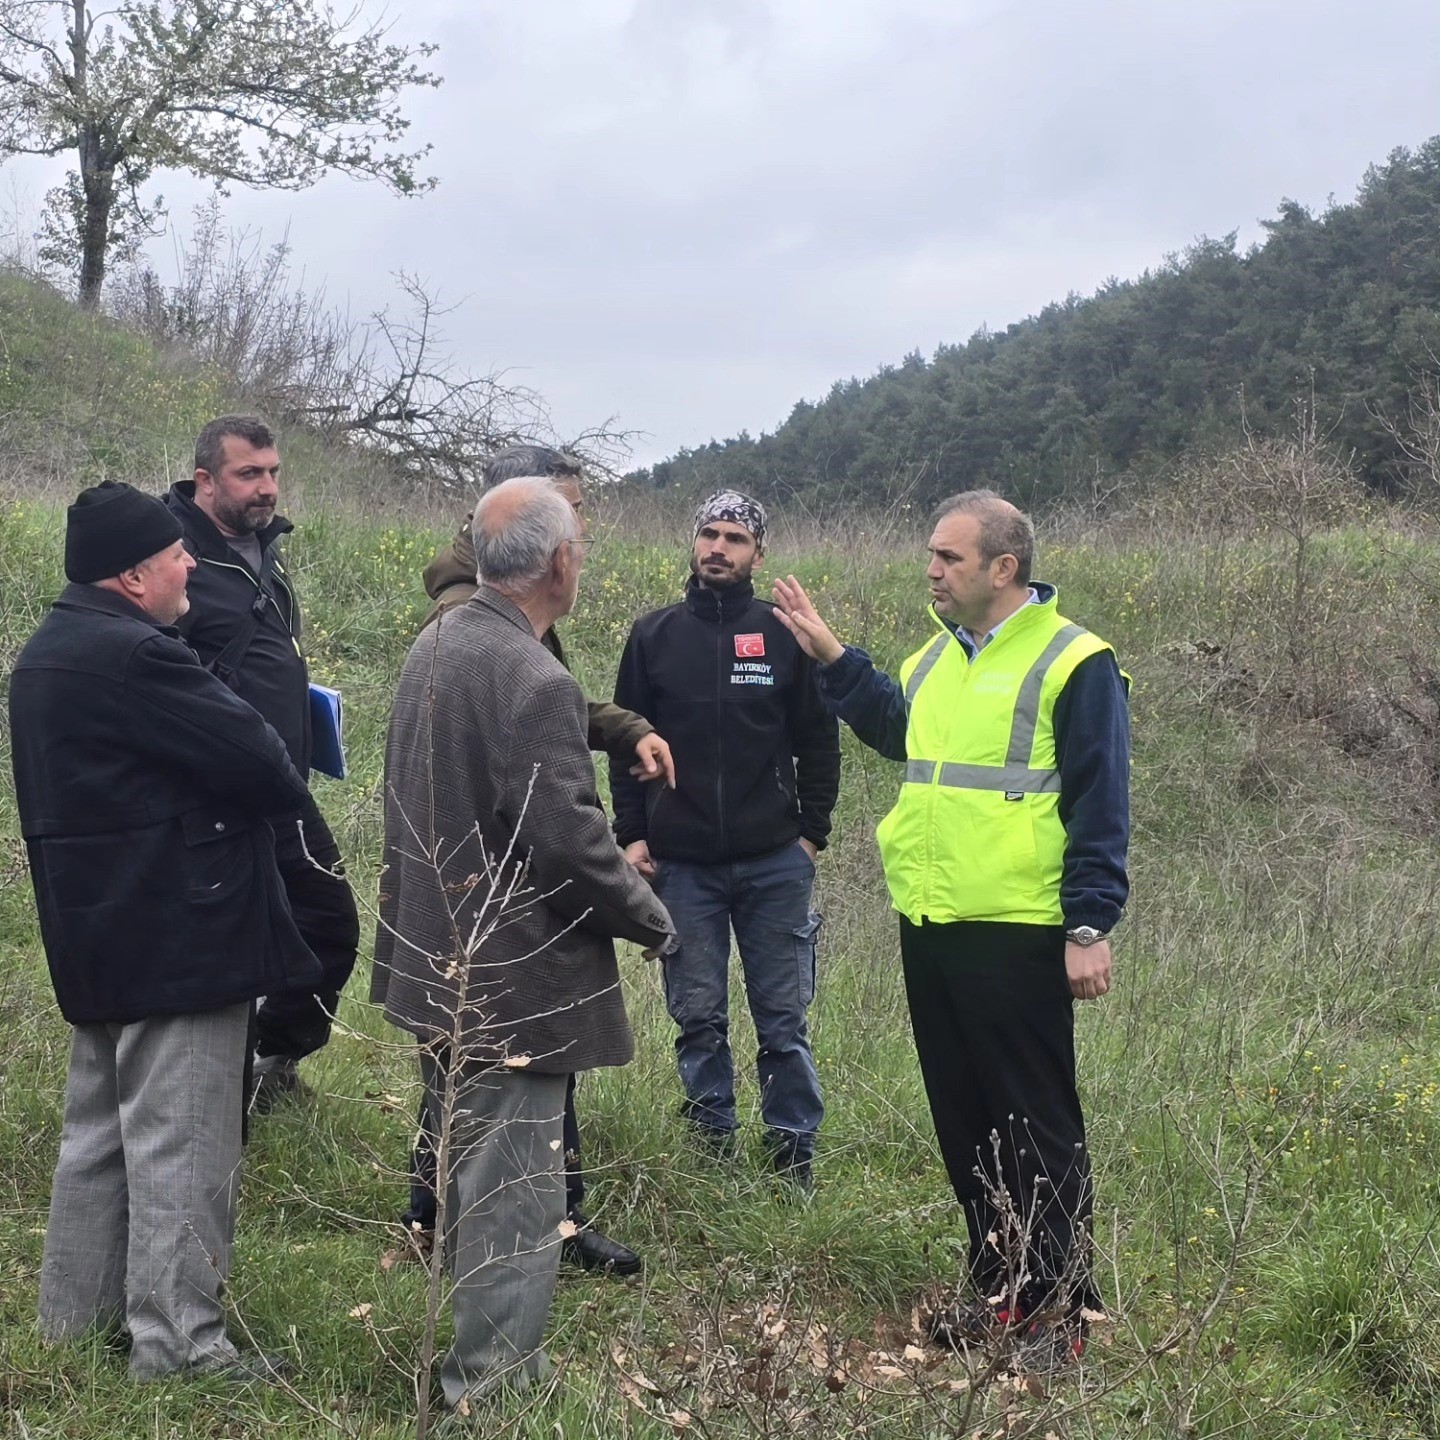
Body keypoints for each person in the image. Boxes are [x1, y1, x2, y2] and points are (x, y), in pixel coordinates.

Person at [772, 489, 1130, 1372]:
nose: (930, 570)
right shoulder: (935, 659)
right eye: (932, 556)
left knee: (1035, 1123)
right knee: (966, 1118)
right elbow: (902, 731)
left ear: (1002, 568)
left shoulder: (1074, 661)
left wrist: (1088, 923)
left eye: (948, 557)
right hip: (931, 921)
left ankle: (1056, 1316)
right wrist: (833, 657)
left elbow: (1101, 801)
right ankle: (1001, 1293)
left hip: (1018, 928)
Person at [9, 482, 321, 1382]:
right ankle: (180, 1347)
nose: (191, 561)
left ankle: (76, 1327)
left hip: (97, 929)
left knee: (100, 1135)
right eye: (175, 553)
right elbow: (267, 761)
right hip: (183, 930)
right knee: (184, 1140)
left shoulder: (46, 654)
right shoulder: (140, 657)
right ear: (132, 574)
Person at [373, 475, 673, 1407]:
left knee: (470, 1170)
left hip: (437, 960)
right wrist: (654, 920)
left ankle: (471, 1354)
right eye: (578, 544)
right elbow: (570, 845)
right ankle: (490, 1384)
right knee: (512, 1190)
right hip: (508, 980)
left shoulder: (437, 645)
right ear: (559, 563)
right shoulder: (534, 678)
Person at [610, 490, 841, 1188]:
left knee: (783, 1022)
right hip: (684, 868)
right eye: (709, 534)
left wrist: (811, 837)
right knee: (698, 1019)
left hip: (775, 862)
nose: (718, 547)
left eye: (735, 538)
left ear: (757, 555)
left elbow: (818, 741)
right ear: (693, 543)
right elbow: (624, 744)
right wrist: (633, 836)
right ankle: (712, 1160)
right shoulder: (653, 636)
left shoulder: (780, 634)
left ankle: (791, 1161)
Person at [165, 416, 360, 1110]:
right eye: (250, 474)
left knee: (329, 926)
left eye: (273, 472)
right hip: (216, 796)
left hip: (282, 785)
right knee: (234, 945)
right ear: (205, 479)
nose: (268, 488)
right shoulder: (170, 552)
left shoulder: (260, 550)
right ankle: (217, 1088)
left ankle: (268, 1062)